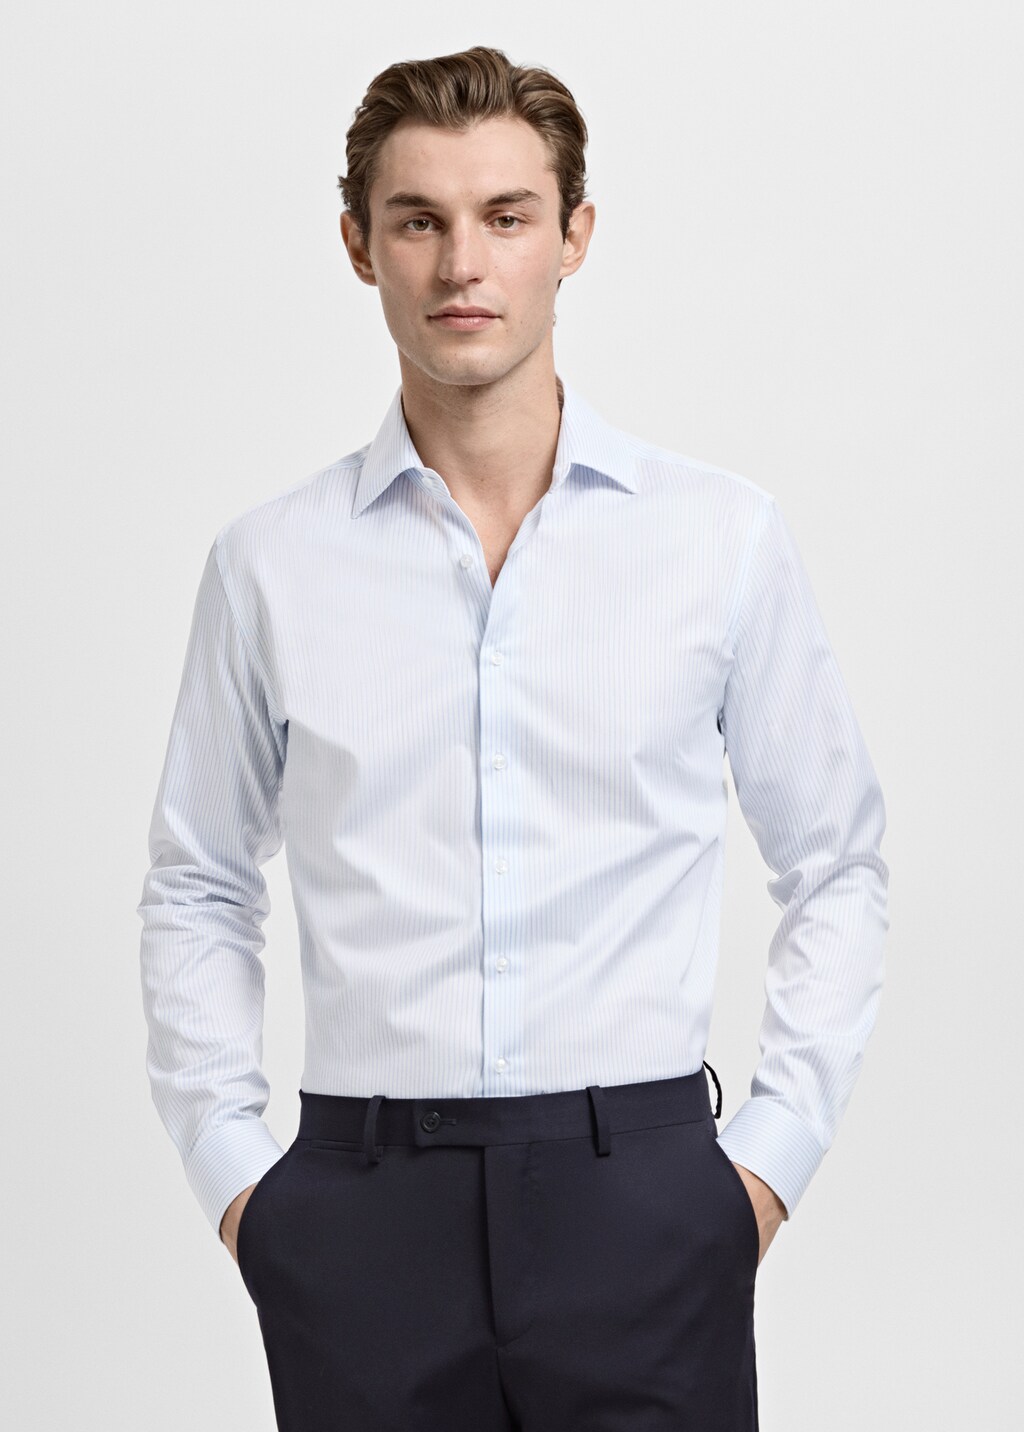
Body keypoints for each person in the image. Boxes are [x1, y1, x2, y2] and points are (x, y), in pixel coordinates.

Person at [137, 44, 889, 1432]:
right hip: (362, 1221)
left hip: (644, 1203)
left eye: (506, 215)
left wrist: (760, 1173)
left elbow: (837, 863)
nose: (462, 264)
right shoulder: (269, 567)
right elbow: (197, 881)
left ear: (573, 237)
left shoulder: (718, 542)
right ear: (359, 246)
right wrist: (242, 1185)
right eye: (418, 220)